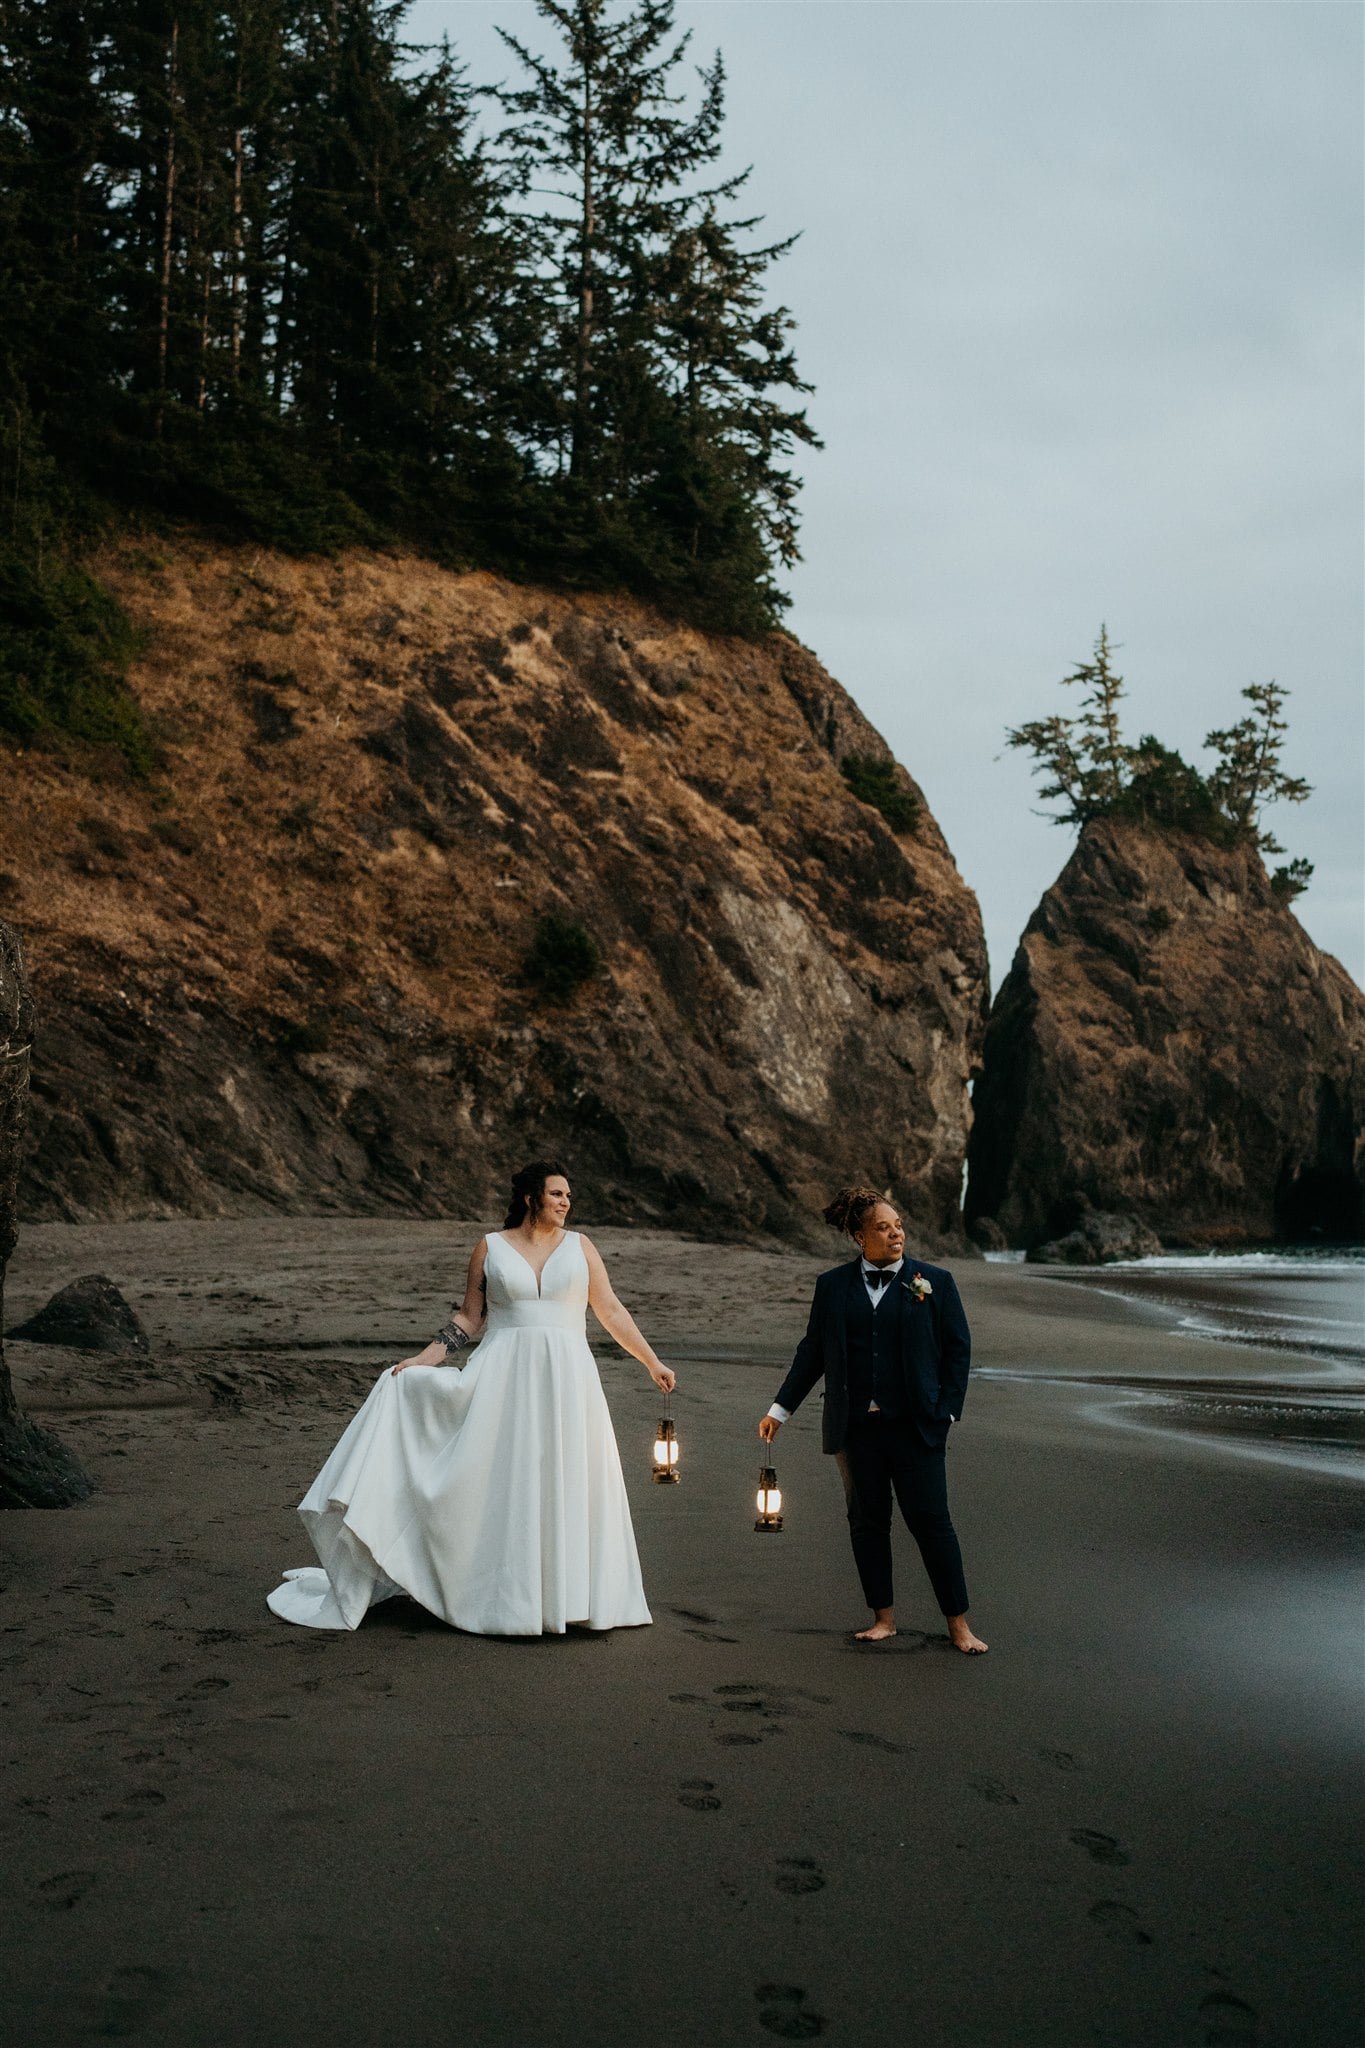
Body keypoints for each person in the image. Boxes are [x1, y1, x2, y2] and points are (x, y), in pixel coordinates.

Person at [268, 1162, 675, 1636]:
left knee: (570, 1476)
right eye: (557, 1194)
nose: (566, 1202)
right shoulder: (491, 1247)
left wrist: (651, 1362)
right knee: (502, 1481)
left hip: (570, 1382)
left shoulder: (582, 1248)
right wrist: (427, 1358)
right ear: (530, 1198)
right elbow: (470, 1318)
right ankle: (500, 1596)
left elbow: (609, 1309)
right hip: (502, 1378)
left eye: (568, 1195)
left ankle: (572, 1600)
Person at [758, 1185, 987, 1653]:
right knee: (867, 1522)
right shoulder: (833, 1286)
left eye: (898, 1225)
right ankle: (883, 1618)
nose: (896, 1233)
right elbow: (813, 1353)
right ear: (861, 1237)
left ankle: (959, 1626)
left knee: (932, 1522)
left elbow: (958, 1350)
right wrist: (780, 1409)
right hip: (855, 1428)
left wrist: (946, 1410)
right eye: (883, 1228)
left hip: (917, 1426)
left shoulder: (934, 1282)